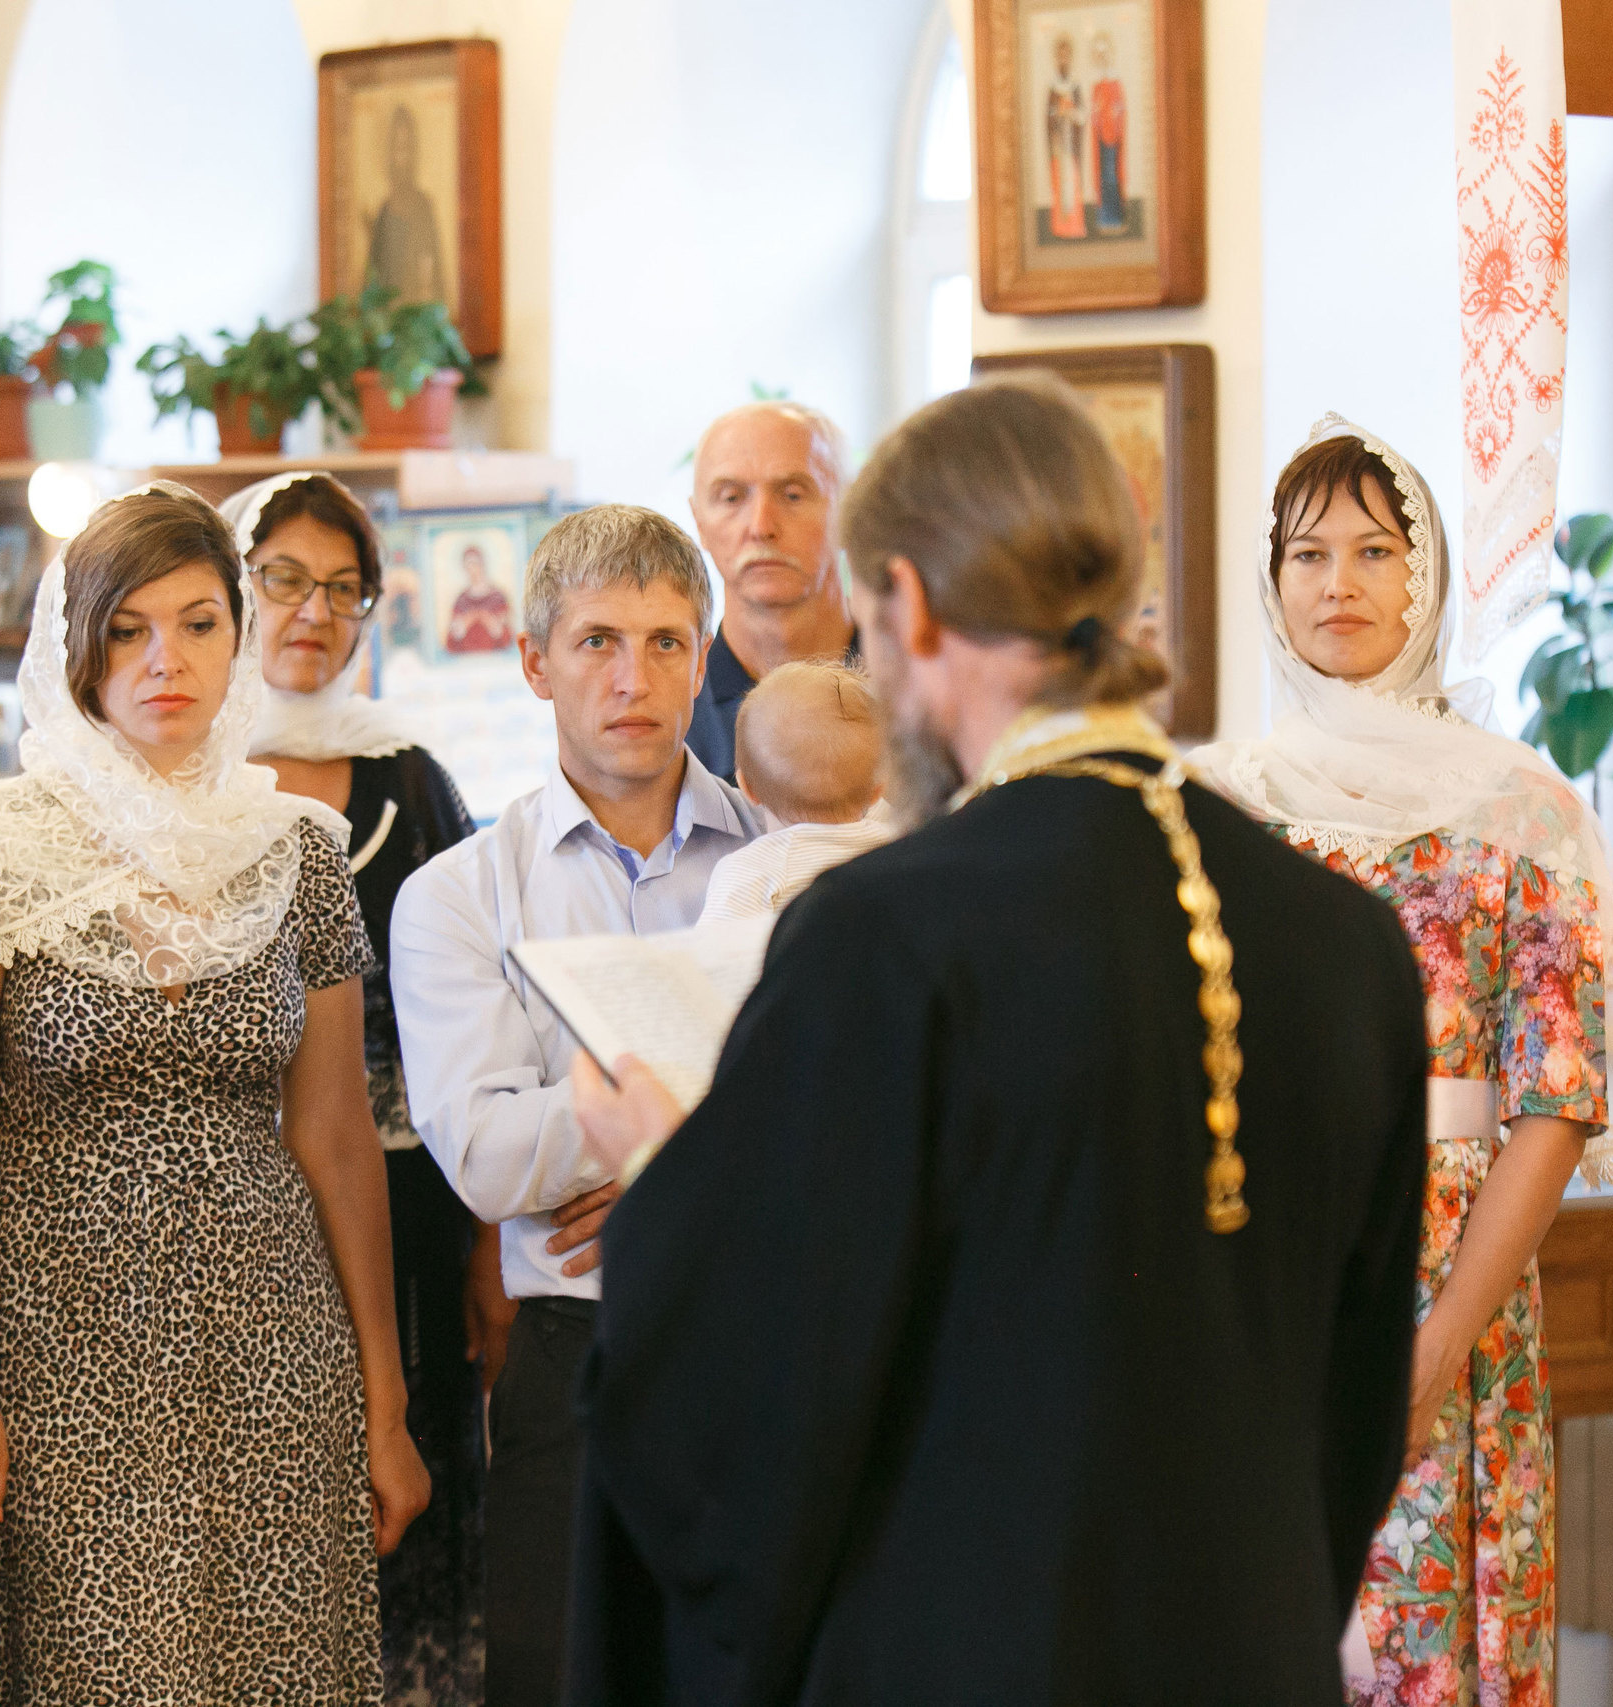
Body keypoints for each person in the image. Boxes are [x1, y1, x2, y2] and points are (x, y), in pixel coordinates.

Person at [561, 377, 1431, 1705]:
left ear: (904, 604)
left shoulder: (887, 937)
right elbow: (1355, 1412)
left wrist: (671, 1177)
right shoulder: (1345, 941)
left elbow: (759, 1398)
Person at [0, 482, 429, 1705]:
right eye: (127, 629)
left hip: (277, 1354)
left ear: (238, 640)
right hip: (55, 1357)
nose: (165, 660)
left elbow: (335, 1137)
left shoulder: (299, 851)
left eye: (198, 623)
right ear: (74, 647)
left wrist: (384, 1404)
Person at [1187, 415, 1613, 1706]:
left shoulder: (1522, 808)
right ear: (1271, 583)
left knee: (1425, 1650)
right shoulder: (1213, 799)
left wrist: (1437, 1345)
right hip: (1247, 1281)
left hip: (1450, 1271)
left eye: (1377, 551)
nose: (1340, 584)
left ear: (1426, 576)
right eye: (1309, 553)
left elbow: (1555, 1102)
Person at [391, 503, 766, 1707]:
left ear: (702, 660)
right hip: (574, 1360)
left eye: (666, 642)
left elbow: (860, 1125)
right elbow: (490, 1161)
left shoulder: (787, 861)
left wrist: (648, 1159)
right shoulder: (459, 897)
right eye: (598, 640)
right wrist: (713, 1146)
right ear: (534, 662)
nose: (632, 677)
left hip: (770, 1346)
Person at [225, 470, 493, 1701]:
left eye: (344, 589)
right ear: (229, 584)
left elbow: (493, 1011)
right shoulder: (169, 775)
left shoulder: (411, 781)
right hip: (232, 1213)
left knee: (411, 1496)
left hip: (412, 1209)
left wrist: (489, 1239)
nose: (312, 612)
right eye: (282, 577)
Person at [682, 402, 859, 779]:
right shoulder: (671, 713)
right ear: (699, 521)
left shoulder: (921, 692)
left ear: (849, 512)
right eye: (731, 498)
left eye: (793, 495)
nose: (761, 526)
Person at [698, 657, 892, 925]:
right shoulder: (900, 848)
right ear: (877, 791)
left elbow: (713, 958)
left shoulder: (751, 872)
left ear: (747, 788)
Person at [367, 103, 445, 304]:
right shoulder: (384, 211)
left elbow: (435, 277)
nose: (402, 158)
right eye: (397, 148)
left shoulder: (423, 207)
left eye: (407, 148)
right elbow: (373, 277)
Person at [1043, 32, 1087, 241]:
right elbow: (1049, 117)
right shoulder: (1052, 88)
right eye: (1060, 55)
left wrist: (1071, 113)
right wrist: (1058, 114)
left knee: (1073, 181)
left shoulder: (1075, 86)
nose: (1063, 59)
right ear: (1056, 58)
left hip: (1072, 145)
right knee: (1060, 184)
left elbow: (1082, 115)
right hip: (1059, 145)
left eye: (1066, 55)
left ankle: (1075, 225)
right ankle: (1061, 226)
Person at [445, 544, 516, 653]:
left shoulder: (497, 597)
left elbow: (506, 637)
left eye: (475, 564)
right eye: (468, 565)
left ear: (482, 564)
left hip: (495, 659)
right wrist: (466, 621)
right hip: (466, 660)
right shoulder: (461, 600)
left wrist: (488, 621)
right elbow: (452, 640)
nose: (472, 569)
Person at [1090, 30, 1128, 233]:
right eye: (1099, 54)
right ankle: (1104, 217)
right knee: (1104, 177)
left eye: (1105, 52)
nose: (1102, 57)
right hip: (1101, 138)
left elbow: (1119, 109)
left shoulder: (1115, 83)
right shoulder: (1097, 85)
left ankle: (1114, 217)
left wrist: (1113, 115)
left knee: (1112, 176)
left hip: (1112, 137)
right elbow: (1095, 111)